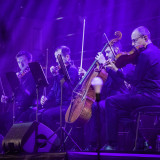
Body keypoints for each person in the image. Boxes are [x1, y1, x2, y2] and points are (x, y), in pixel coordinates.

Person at [95, 26, 160, 151]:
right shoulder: (157, 51)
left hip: (148, 96)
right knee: (120, 112)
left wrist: (117, 70)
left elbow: (135, 79)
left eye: (134, 41)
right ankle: (142, 142)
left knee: (111, 102)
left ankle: (112, 144)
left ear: (145, 38)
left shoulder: (145, 54)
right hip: (156, 96)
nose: (132, 44)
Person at [83, 40, 133, 151]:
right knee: (95, 106)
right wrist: (89, 75)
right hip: (109, 99)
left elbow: (121, 82)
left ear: (115, 50)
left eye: (107, 52)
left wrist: (106, 66)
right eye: (105, 53)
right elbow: (105, 86)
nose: (106, 55)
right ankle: (94, 143)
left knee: (97, 106)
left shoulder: (125, 62)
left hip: (121, 97)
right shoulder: (110, 65)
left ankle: (97, 143)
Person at [40, 46, 79, 132]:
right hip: (59, 104)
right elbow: (54, 89)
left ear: (67, 57)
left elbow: (67, 89)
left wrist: (56, 75)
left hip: (68, 105)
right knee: (39, 114)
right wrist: (47, 98)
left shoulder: (72, 70)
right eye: (56, 58)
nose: (57, 61)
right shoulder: (60, 71)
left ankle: (57, 139)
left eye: (59, 57)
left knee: (46, 115)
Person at [1, 51, 37, 126]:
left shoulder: (33, 75)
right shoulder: (21, 76)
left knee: (10, 124)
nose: (21, 64)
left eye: (23, 61)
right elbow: (18, 96)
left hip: (29, 108)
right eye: (19, 62)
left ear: (30, 60)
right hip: (20, 108)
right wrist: (8, 99)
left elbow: (27, 95)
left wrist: (18, 83)